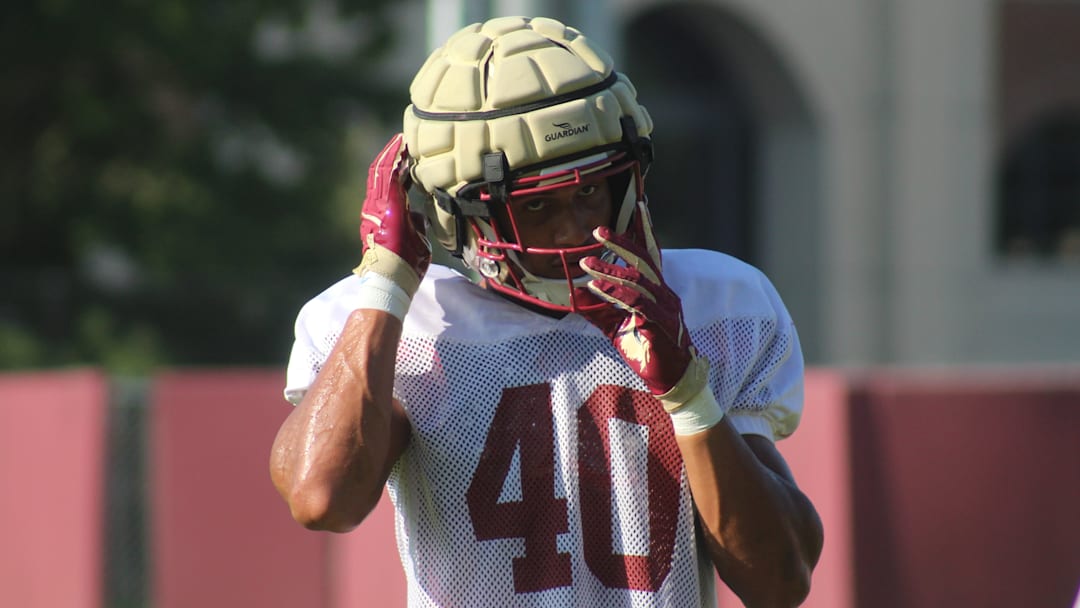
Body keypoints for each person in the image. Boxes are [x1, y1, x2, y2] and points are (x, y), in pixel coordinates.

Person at [271, 15, 822, 608]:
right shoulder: (398, 325)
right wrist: (385, 284)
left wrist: (689, 394)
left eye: (590, 190)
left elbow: (780, 580)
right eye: (537, 206)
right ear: (463, 216)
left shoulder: (715, 305)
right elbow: (323, 498)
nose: (576, 229)